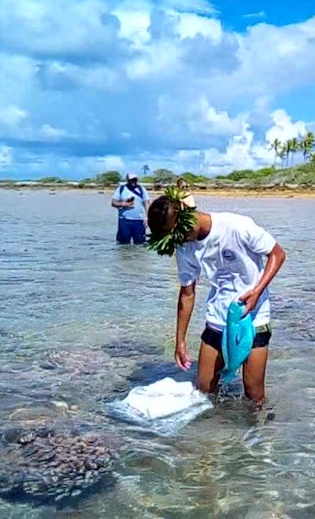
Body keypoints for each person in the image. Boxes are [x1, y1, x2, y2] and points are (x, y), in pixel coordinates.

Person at [146, 188, 286, 407]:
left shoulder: (237, 226)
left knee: (253, 392)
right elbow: (187, 293)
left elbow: (277, 254)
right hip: (218, 316)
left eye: (179, 235)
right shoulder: (185, 248)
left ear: (186, 217)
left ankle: (260, 437)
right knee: (204, 388)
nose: (180, 242)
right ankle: (213, 435)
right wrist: (180, 340)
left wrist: (257, 291)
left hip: (253, 315)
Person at [111, 172, 150, 245]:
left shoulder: (142, 189)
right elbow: (113, 202)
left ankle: (137, 256)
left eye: (134, 179)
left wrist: (148, 218)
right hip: (124, 220)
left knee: (140, 243)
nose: (133, 181)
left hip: (139, 220)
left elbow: (147, 204)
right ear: (127, 179)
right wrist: (123, 204)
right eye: (131, 179)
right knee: (123, 243)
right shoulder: (121, 189)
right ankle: (126, 256)